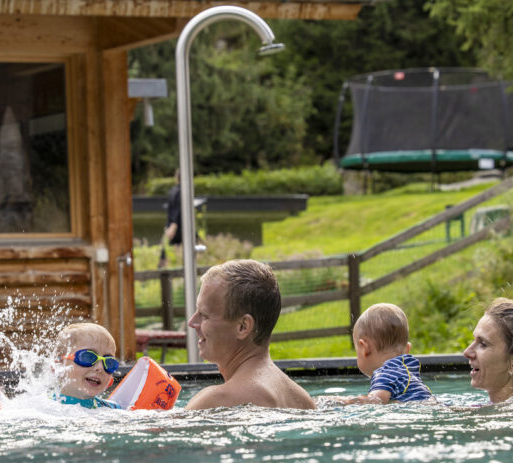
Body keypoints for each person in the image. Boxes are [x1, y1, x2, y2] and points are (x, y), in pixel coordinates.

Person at [184, 259, 316, 410]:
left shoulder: (215, 400)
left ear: (243, 326)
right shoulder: (303, 400)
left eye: (204, 315)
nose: (192, 322)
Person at [0, 322, 123, 410]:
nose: (100, 367)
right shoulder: (39, 406)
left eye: (109, 362)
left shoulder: (113, 409)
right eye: (88, 357)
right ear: (58, 365)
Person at [324, 303, 433, 405]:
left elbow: (376, 400)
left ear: (364, 348)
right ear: (407, 349)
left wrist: (342, 401)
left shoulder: (386, 373)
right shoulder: (407, 372)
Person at [158, 170, 182, 269]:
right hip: (178, 226)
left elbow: (170, 210)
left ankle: (162, 270)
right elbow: (177, 209)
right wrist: (173, 225)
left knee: (165, 249)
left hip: (171, 224)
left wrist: (169, 225)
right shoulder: (181, 191)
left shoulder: (173, 190)